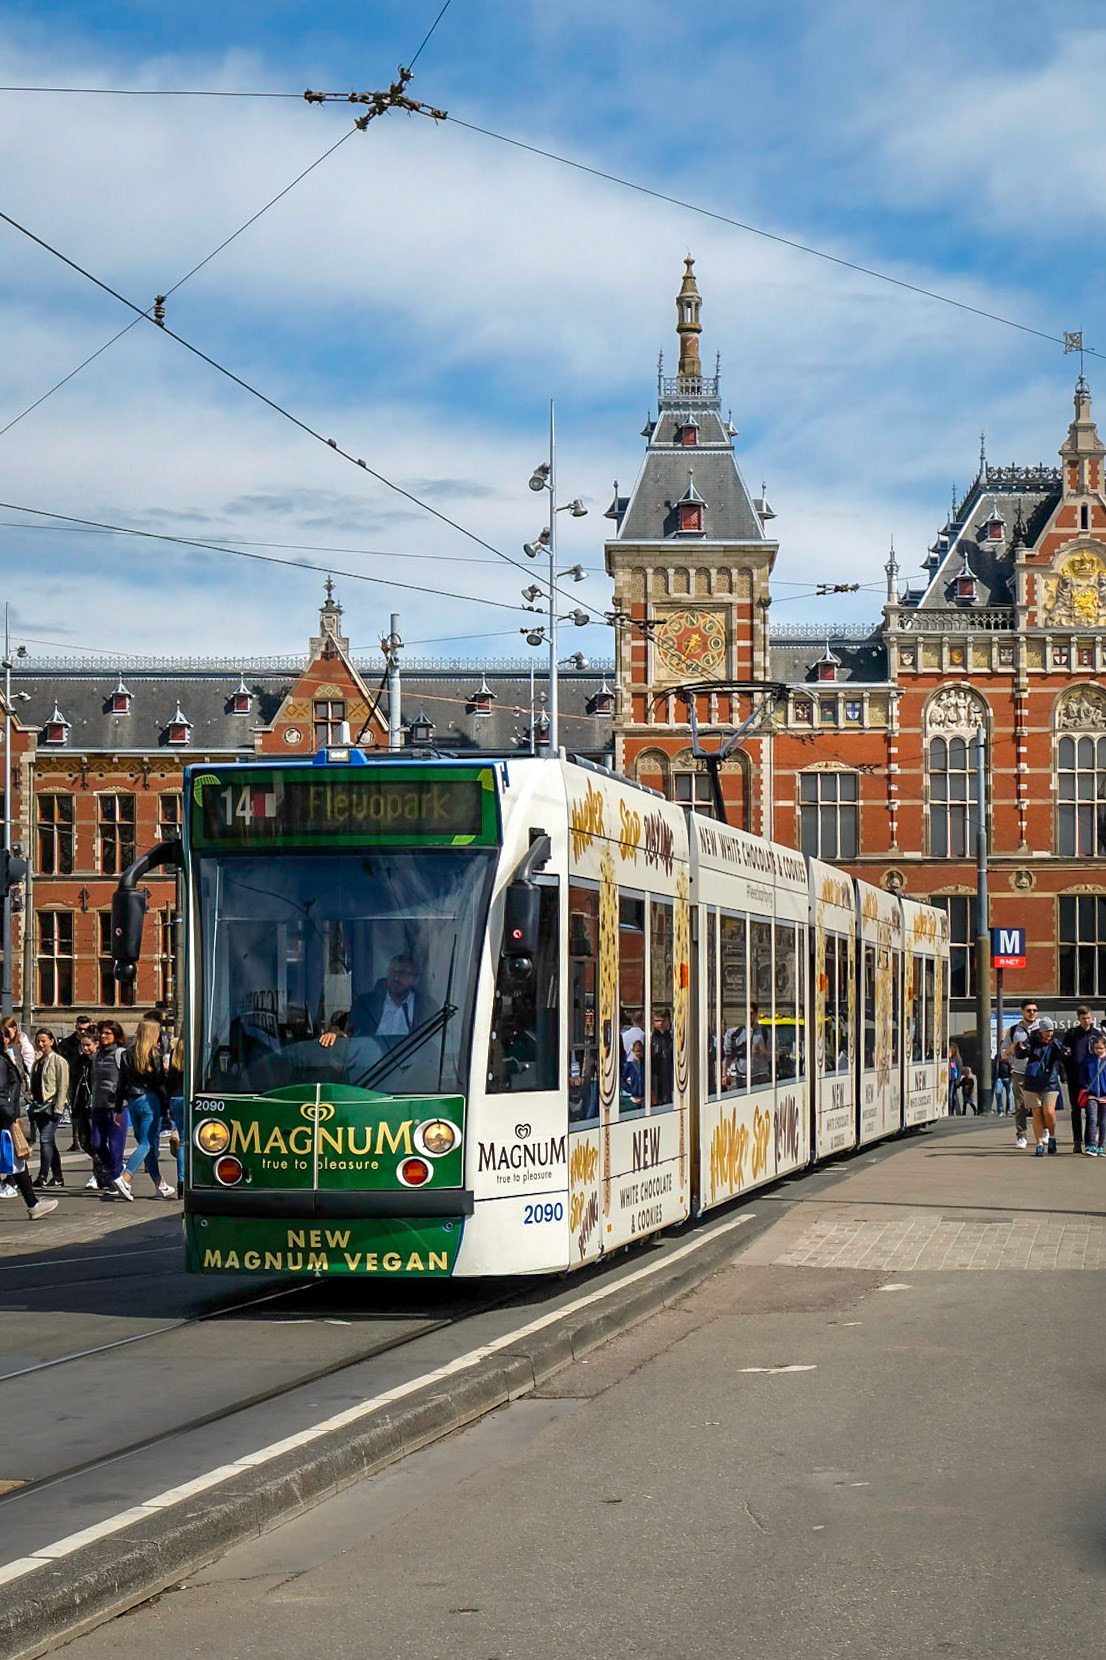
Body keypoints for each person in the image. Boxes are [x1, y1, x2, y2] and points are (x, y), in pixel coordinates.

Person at [0, 1021, 57, 1218]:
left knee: (16, 1161)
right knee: (15, 1161)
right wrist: (11, 1116)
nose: (7, 1039)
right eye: (4, 1035)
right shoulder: (1, 1061)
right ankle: (33, 1204)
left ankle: (33, 1203)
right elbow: (0, 1093)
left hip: (6, 1117)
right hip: (4, 1119)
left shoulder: (6, 1057)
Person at [115, 1018, 174, 1199]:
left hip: (133, 1101)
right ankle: (126, 1177)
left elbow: (121, 1083)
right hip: (150, 1100)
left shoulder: (127, 1055)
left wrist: (118, 1108)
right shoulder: (154, 1056)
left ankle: (160, 1184)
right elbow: (160, 1085)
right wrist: (166, 1108)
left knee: (148, 1144)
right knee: (147, 1143)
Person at [319, 955, 433, 1048]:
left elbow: (437, 1041)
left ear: (414, 979)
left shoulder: (427, 1007)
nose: (396, 978)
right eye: (393, 972)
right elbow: (344, 1025)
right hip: (372, 1069)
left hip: (413, 1069)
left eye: (402, 973)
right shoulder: (367, 1003)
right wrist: (334, 1033)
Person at [91, 1021, 128, 1200]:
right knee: (96, 1143)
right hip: (98, 1105)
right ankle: (115, 1173)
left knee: (115, 1147)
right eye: (101, 1033)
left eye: (107, 1033)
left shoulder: (120, 1054)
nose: (103, 1036)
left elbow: (126, 1080)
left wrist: (119, 1104)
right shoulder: (97, 1054)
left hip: (116, 1108)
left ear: (116, 1036)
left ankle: (115, 1180)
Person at [1019, 1015, 1066, 1156]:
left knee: (1049, 1111)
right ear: (1041, 1031)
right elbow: (1022, 1053)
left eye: (1051, 1031)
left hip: (1049, 1081)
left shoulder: (1055, 1043)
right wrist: (1020, 1049)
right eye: (1046, 1031)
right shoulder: (1032, 1041)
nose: (1049, 1034)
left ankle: (1051, 1136)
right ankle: (1039, 1143)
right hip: (1032, 1081)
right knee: (1037, 1113)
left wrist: (1065, 1052)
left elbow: (1063, 1055)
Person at [1060, 1005, 1102, 1154]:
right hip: (1075, 1078)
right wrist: (1063, 1073)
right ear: (1078, 1018)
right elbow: (1064, 1055)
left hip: (1092, 1080)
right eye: (1084, 1018)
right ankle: (1077, 1141)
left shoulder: (1097, 1034)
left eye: (1089, 1018)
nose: (1087, 1021)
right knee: (1076, 1111)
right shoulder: (1072, 1034)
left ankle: (1090, 1141)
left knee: (1092, 1112)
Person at [30, 1029, 69, 1189]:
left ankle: (42, 1176)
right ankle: (58, 1176)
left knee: (45, 1140)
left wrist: (59, 1108)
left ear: (52, 1042)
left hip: (52, 1106)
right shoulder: (38, 1061)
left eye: (43, 1041)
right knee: (50, 1142)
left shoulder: (58, 1061)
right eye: (38, 1041)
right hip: (39, 1107)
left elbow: (63, 1086)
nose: (40, 1044)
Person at [1002, 999, 1038, 1149]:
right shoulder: (1014, 1030)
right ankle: (1021, 1135)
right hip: (1019, 1071)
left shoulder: (1041, 1029)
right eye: (1029, 1010)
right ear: (1022, 1012)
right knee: (1020, 1105)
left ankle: (1044, 1131)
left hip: (1038, 1072)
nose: (1032, 1013)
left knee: (1038, 1105)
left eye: (1034, 1010)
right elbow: (1003, 1053)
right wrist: (1010, 1050)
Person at [58, 1016, 93, 1150]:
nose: (83, 1032)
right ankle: (76, 1139)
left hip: (90, 1080)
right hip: (73, 1080)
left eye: (86, 1029)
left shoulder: (94, 1041)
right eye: (80, 1029)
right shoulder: (67, 1044)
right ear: (75, 1028)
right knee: (75, 1109)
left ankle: (90, 1137)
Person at [68, 1028, 99, 1184]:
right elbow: (74, 1083)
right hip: (82, 1105)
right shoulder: (79, 1062)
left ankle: (98, 1173)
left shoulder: (100, 1061)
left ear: (96, 1044)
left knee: (97, 1141)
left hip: (98, 1106)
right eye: (83, 1045)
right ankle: (102, 1168)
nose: (85, 1048)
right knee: (84, 1141)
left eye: (88, 1045)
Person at [1079, 1034, 1106, 1156]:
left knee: (1103, 1121)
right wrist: (1085, 1086)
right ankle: (1091, 1145)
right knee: (1092, 1119)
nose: (1098, 1051)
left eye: (1101, 1048)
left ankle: (1101, 1145)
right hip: (1092, 1095)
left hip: (1105, 1096)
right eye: (1096, 1048)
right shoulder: (1088, 1061)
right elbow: (1082, 1077)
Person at [167, 1033, 185, 1199]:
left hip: (175, 1098)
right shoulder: (194, 1049)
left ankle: (181, 1182)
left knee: (182, 1142)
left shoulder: (175, 1052)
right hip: (189, 1099)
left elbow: (170, 1080)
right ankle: (187, 1180)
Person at [650, 1010, 674, 1108]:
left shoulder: (668, 1037)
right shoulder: (652, 1037)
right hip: (656, 1073)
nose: (659, 1023)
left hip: (667, 1073)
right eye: (657, 1021)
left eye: (662, 1021)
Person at [620, 1039, 645, 1112]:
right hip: (634, 1097)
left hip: (644, 1097)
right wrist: (630, 1089)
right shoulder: (630, 1064)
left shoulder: (644, 1063)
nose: (638, 1053)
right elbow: (622, 1079)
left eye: (640, 1051)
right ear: (633, 1052)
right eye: (636, 1051)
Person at [992, 1046, 1013, 1116]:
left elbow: (1012, 1066)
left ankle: (1009, 1110)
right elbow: (995, 1067)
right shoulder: (997, 1058)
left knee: (1009, 1095)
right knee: (998, 1093)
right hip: (999, 1078)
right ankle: (1000, 1109)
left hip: (1008, 1078)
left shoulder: (1010, 1058)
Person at [948, 1041, 962, 1114]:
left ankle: (951, 1110)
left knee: (951, 1095)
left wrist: (958, 1080)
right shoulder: (948, 1060)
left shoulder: (957, 1059)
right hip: (948, 1079)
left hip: (953, 1079)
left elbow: (959, 1070)